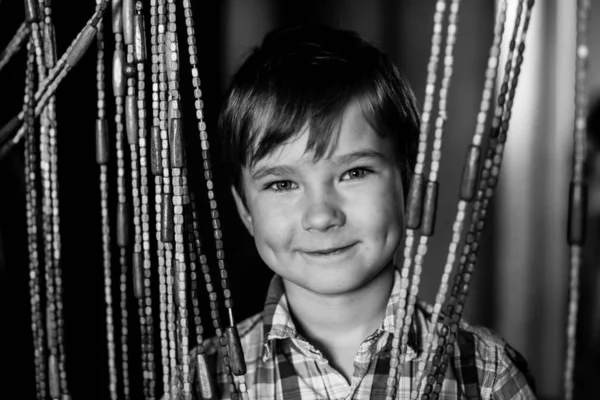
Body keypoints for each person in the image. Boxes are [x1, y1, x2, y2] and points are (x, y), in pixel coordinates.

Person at [182, 25, 537, 399]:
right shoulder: (202, 381)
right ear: (245, 210)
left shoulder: (486, 374)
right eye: (282, 184)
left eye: (354, 173)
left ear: (410, 186)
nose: (321, 216)